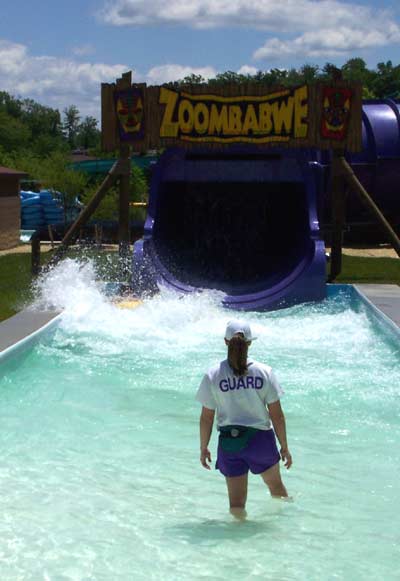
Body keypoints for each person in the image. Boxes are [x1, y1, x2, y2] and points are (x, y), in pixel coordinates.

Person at [196, 319, 292, 518]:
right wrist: (284, 446)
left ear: (225, 342)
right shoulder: (265, 372)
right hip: (261, 441)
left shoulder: (213, 374)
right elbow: (277, 416)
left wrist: (203, 447)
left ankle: (238, 542)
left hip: (230, 443)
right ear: (250, 343)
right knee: (276, 489)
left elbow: (206, 418)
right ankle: (287, 532)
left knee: (237, 504)